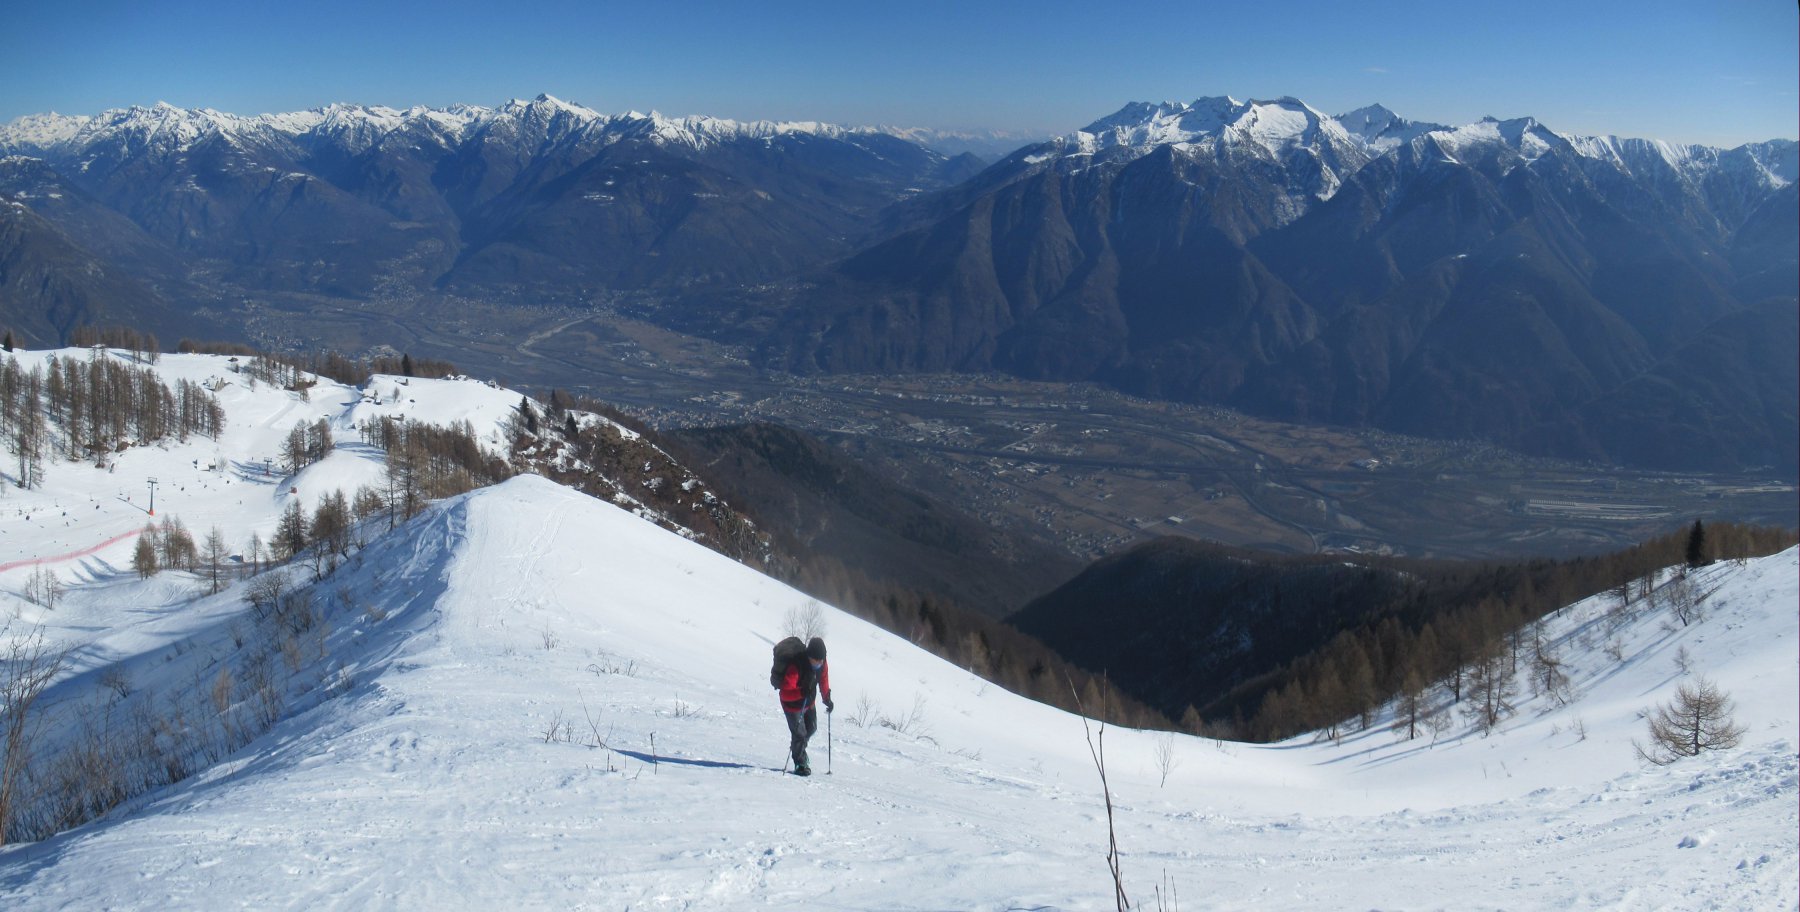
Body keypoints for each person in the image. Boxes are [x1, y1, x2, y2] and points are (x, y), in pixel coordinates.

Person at [777, 636, 833, 775]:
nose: (819, 663)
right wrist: (801, 692)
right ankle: (800, 764)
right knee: (799, 734)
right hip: (792, 706)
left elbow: (823, 680)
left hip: (809, 703)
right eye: (816, 660)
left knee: (812, 728)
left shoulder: (822, 663)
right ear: (809, 656)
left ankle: (799, 748)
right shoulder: (796, 666)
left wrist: (827, 698)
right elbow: (784, 693)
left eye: (821, 660)